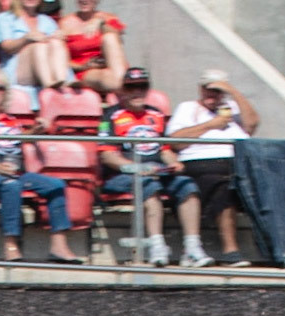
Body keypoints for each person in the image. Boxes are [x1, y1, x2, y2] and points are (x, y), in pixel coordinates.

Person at [0, 71, 80, 262]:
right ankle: (11, 244)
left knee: (56, 185)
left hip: (15, 171)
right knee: (11, 185)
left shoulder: (10, 119)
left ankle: (59, 245)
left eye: (0, 88)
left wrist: (35, 131)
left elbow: (14, 140)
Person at [99, 66, 208, 268]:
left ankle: (192, 247)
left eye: (142, 87)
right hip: (123, 174)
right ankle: (157, 245)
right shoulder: (110, 116)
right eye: (131, 87)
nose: (137, 92)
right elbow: (107, 155)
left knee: (187, 187)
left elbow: (164, 149)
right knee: (149, 186)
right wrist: (134, 167)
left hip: (157, 170)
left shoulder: (156, 114)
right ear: (123, 90)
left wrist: (173, 163)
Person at [165, 68, 258, 266]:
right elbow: (175, 141)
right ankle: (230, 250)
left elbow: (251, 125)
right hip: (201, 163)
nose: (212, 94)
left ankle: (280, 247)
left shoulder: (232, 107)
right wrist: (211, 125)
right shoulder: (188, 108)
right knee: (223, 185)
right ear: (200, 89)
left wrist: (233, 92)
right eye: (208, 89)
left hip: (236, 164)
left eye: (217, 90)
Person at [0, 0, 67, 94]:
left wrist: (59, 37)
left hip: (46, 67)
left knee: (56, 43)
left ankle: (63, 81)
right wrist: (26, 38)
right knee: (38, 46)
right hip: (17, 70)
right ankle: (48, 84)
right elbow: (7, 47)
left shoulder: (48, 21)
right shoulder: (4, 18)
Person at [56, 0, 126, 94]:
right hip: (84, 70)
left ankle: (122, 84)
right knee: (106, 77)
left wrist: (101, 23)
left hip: (110, 66)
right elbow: (59, 58)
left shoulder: (107, 17)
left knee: (110, 37)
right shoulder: (65, 23)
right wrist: (82, 66)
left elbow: (118, 37)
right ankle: (124, 87)